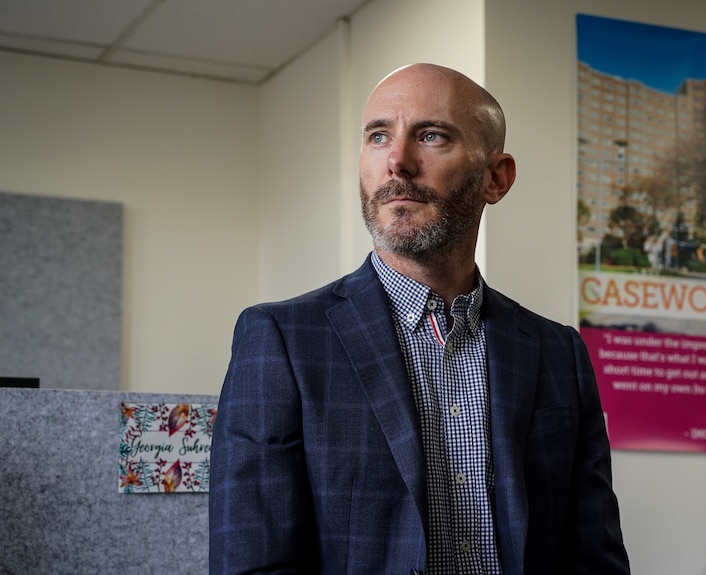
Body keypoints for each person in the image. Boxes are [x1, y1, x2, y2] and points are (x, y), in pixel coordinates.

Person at [209, 63, 630, 575]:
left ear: (496, 178)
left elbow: (595, 560)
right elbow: (253, 561)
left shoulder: (558, 353)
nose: (397, 162)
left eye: (431, 136)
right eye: (378, 136)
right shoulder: (282, 342)